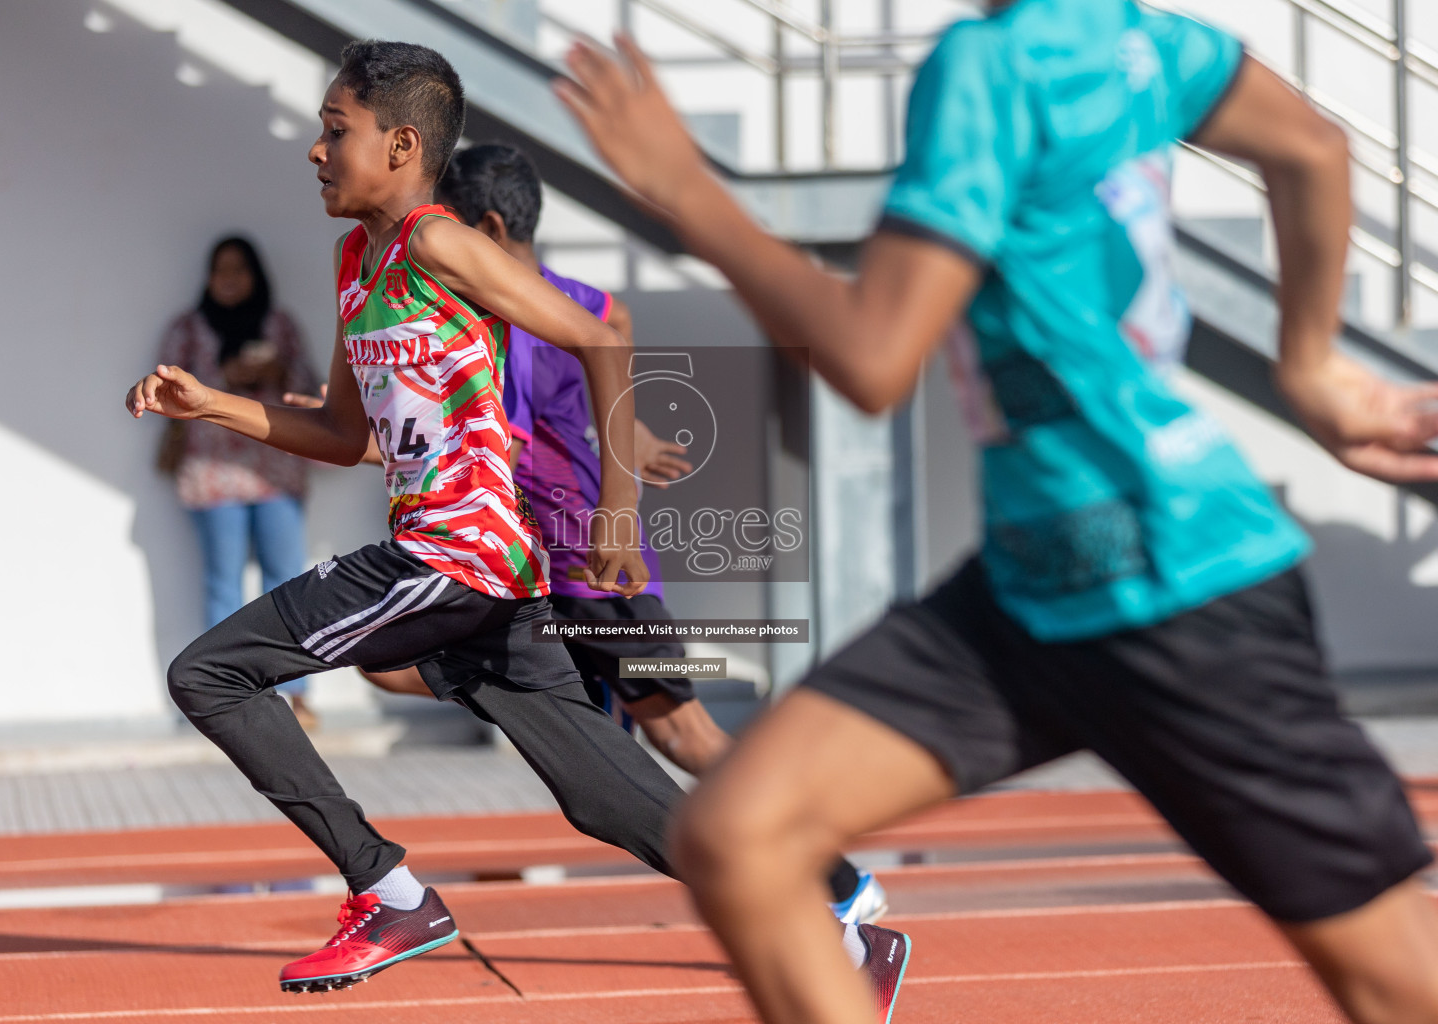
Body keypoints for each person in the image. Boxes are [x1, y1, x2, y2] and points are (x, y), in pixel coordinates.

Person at [556, 6, 1438, 1024]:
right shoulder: (1140, 36)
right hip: (1033, 586)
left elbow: (874, 356)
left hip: (1179, 585)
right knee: (740, 836)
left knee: (1396, 986)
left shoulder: (990, 63)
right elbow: (1311, 146)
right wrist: (1310, 362)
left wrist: (687, 192)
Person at [124, 40, 907, 1005]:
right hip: (498, 584)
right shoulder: (354, 262)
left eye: (337, 131)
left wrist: (617, 516)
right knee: (609, 799)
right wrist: (213, 407)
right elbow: (338, 431)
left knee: (209, 670)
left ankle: (389, 891)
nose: (316, 151)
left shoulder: (438, 243)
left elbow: (600, 333)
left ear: (402, 143)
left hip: (453, 556)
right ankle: (840, 938)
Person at [366, 141, 889, 925]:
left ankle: (836, 881)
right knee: (386, 661)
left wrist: (369, 431)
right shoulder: (597, 305)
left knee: (687, 736)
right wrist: (630, 438)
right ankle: (572, 717)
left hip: (585, 575)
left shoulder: (503, 322)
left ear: (491, 228)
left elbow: (492, 439)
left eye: (450, 228)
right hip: (548, 575)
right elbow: (609, 390)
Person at [156, 237, 321, 728]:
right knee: (223, 587)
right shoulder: (188, 329)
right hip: (213, 476)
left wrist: (277, 368)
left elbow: (311, 386)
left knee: (289, 585)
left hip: (276, 473)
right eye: (219, 270)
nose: (229, 279)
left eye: (239, 269)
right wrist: (220, 372)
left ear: (257, 275)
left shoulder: (280, 325)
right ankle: (222, 699)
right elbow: (166, 388)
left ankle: (297, 695)